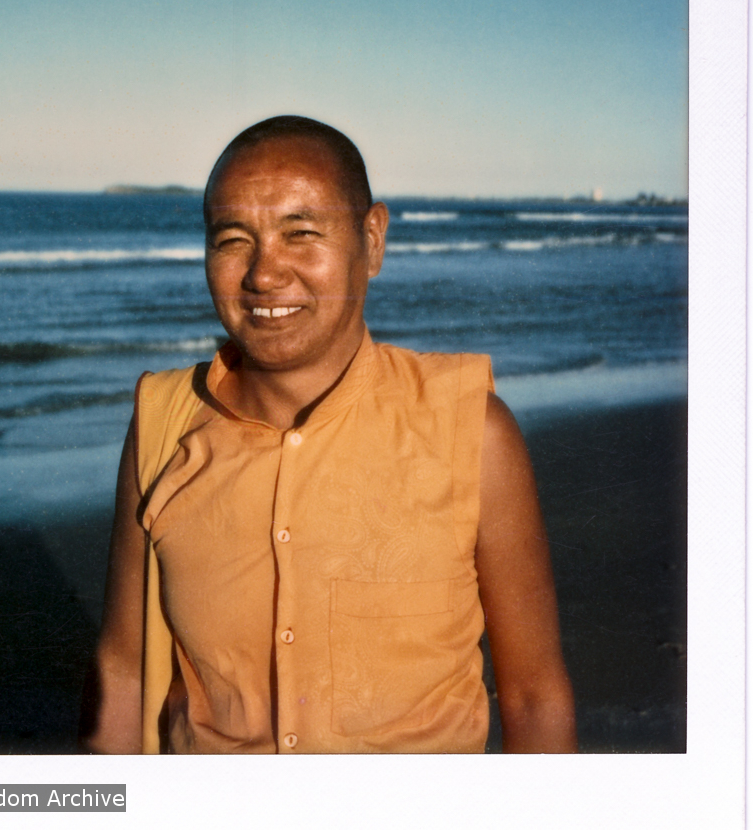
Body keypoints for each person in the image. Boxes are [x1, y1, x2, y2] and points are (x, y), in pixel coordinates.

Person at [80, 115, 576, 754]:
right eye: (233, 240)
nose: (264, 274)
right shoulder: (164, 425)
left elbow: (536, 696)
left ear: (372, 240)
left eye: (301, 233)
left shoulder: (470, 432)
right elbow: (122, 672)